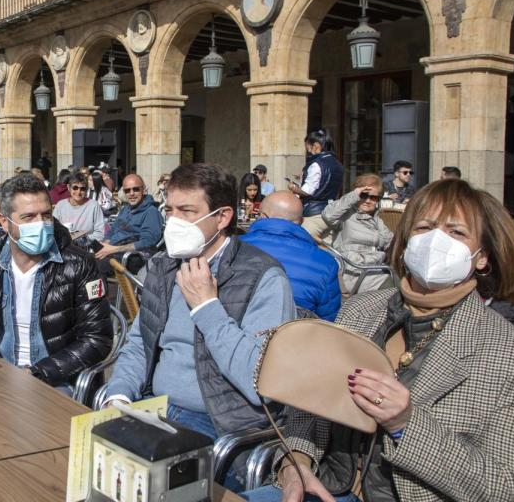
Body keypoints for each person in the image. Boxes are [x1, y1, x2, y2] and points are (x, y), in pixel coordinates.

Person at [244, 179, 514, 502]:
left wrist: (405, 423)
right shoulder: (360, 310)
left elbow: (511, 490)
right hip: (325, 486)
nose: (436, 241)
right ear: (405, 242)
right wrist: (297, 463)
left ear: (482, 257)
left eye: (456, 233)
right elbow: (309, 406)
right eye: (424, 227)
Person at [103, 163, 296, 492]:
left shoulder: (262, 277)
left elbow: (259, 380)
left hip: (216, 420)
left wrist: (208, 307)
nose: (174, 221)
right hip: (154, 408)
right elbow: (139, 342)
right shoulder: (164, 265)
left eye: (187, 211)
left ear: (222, 218)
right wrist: (119, 393)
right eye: (169, 210)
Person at [0, 174, 113, 391]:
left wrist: (39, 372)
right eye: (28, 217)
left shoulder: (79, 264)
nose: (41, 224)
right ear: (5, 222)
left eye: (46, 215)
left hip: (55, 379)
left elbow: (97, 338)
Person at [240, 192, 342, 321]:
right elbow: (328, 321)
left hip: (237, 333)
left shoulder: (233, 247)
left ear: (261, 216)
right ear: (301, 221)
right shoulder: (326, 262)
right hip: (295, 336)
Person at [322, 174, 395, 294]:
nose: (367, 200)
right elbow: (328, 215)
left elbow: (392, 243)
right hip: (354, 273)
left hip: (376, 270)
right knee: (395, 288)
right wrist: (354, 195)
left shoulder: (377, 220)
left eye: (373, 197)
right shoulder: (346, 216)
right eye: (364, 195)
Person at [94, 174, 163, 272]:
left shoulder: (151, 212)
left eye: (136, 189)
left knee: (92, 265)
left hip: (133, 256)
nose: (131, 193)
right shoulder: (125, 209)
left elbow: (148, 242)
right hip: (114, 251)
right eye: (127, 190)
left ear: (143, 190)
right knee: (82, 258)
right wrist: (106, 243)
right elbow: (113, 230)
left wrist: (113, 249)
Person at [287, 129, 342, 240]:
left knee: (302, 246)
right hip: (331, 213)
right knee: (326, 251)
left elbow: (307, 191)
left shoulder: (317, 164)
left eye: (308, 148)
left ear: (316, 145)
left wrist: (293, 188)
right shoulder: (338, 164)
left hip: (313, 215)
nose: (308, 152)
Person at [54, 172, 105, 246]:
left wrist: (80, 240)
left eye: (82, 189)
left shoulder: (93, 205)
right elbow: (54, 230)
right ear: (68, 187)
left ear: (87, 189)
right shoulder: (60, 205)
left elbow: (100, 233)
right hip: (65, 247)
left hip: (86, 247)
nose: (78, 192)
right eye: (75, 188)